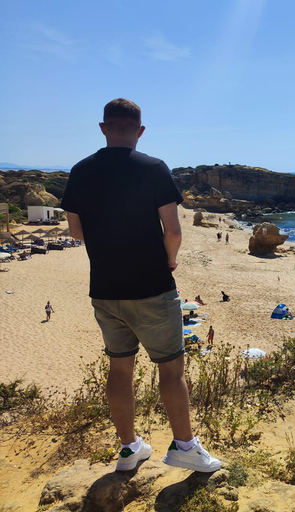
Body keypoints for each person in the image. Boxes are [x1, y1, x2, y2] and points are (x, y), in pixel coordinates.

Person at [61, 99, 220, 473]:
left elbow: (75, 231)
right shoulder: (153, 168)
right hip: (151, 286)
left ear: (103, 128)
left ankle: (130, 448)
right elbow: (174, 231)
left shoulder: (80, 171)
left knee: (119, 371)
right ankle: (184, 447)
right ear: (140, 131)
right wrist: (169, 260)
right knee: (171, 371)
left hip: (104, 289)